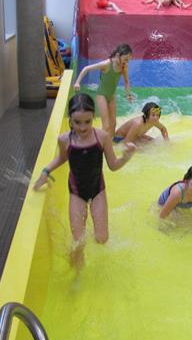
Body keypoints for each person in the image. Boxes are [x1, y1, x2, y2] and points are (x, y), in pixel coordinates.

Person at [33, 93, 135, 269]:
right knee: (78, 242)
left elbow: (113, 165)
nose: (82, 127)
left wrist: (125, 158)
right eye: (77, 122)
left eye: (87, 122)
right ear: (70, 119)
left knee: (102, 239)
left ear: (93, 117)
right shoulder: (64, 139)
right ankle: (78, 275)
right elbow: (62, 158)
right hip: (76, 192)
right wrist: (46, 171)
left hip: (97, 189)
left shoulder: (102, 137)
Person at [73, 44, 133, 138]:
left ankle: (110, 142)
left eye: (128, 60)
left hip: (111, 95)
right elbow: (86, 68)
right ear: (118, 55)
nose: (127, 62)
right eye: (125, 59)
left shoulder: (124, 66)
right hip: (101, 95)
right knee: (106, 125)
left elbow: (126, 82)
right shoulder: (106, 64)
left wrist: (128, 94)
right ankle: (102, 144)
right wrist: (77, 82)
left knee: (113, 123)